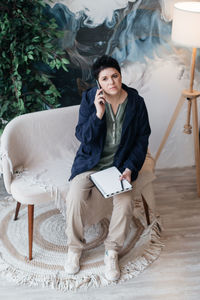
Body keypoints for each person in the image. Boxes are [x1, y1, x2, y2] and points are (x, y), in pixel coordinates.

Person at [65, 55, 151, 281]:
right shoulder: (89, 99)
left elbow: (142, 138)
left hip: (119, 165)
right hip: (89, 163)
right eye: (105, 79)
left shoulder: (136, 102)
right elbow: (83, 136)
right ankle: (74, 249)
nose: (111, 82)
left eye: (115, 76)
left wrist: (131, 167)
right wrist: (98, 113)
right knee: (74, 195)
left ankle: (112, 251)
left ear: (121, 76)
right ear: (98, 83)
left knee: (124, 201)